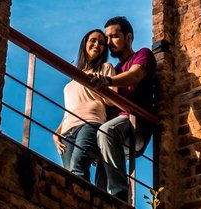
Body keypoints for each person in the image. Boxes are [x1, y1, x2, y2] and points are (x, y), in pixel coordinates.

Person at [91, 16, 156, 200]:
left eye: (114, 36)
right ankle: (99, 197)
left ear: (128, 37)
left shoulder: (142, 55)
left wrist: (108, 81)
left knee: (106, 132)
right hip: (116, 128)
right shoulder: (112, 68)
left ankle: (120, 196)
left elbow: (135, 75)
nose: (109, 42)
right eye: (107, 38)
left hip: (136, 124)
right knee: (94, 135)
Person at [52, 29, 115, 180]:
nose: (96, 44)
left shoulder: (105, 68)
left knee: (78, 167)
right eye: (93, 40)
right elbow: (70, 110)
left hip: (90, 123)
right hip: (67, 130)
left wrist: (100, 83)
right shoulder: (74, 77)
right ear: (85, 44)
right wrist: (57, 132)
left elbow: (112, 99)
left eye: (101, 43)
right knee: (69, 174)